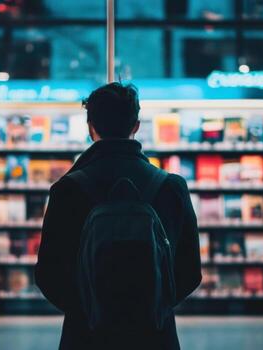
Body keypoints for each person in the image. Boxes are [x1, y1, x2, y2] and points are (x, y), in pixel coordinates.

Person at [35, 82, 201, 350]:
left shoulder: (67, 190)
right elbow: (190, 272)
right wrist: (151, 304)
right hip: (154, 336)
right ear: (136, 125)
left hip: (86, 337)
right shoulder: (171, 187)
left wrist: (89, 310)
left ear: (90, 128)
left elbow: (48, 274)